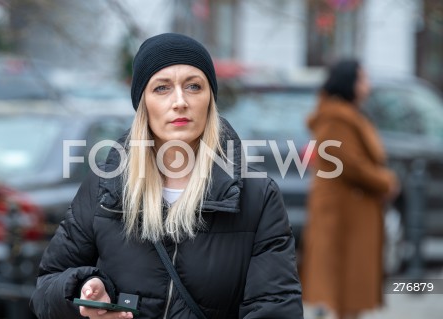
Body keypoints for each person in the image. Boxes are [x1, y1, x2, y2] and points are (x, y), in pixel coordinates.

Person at [29, 33, 303, 319]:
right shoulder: (105, 187)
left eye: (194, 86)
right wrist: (85, 291)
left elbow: (277, 307)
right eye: (162, 88)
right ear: (143, 102)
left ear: (210, 99)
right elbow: (47, 288)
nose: (180, 101)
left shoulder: (257, 196)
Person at [300, 59, 400, 319]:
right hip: (342, 215)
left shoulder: (343, 114)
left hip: (348, 211)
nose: (368, 84)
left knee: (347, 287)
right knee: (343, 285)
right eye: (363, 79)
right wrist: (385, 181)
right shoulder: (337, 118)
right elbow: (349, 163)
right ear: (349, 82)